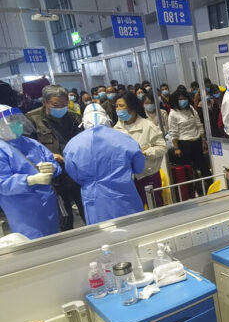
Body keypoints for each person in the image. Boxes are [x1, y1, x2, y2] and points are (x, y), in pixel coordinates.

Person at [63, 103, 144, 224]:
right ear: (107, 118)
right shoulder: (124, 139)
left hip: (94, 199)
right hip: (124, 195)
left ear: (84, 121)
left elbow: (74, 175)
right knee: (134, 230)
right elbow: (139, 167)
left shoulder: (73, 145)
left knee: (103, 236)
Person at [26, 85, 86, 231]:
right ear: (45, 102)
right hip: (53, 178)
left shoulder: (74, 118)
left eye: (64, 104)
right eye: (55, 105)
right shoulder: (32, 119)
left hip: (76, 173)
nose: (61, 108)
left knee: (88, 212)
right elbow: (26, 149)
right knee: (64, 219)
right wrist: (48, 156)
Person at [0, 104, 61, 239]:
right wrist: (30, 180)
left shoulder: (31, 143)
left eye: (16, 119)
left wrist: (53, 168)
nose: (16, 123)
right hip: (22, 209)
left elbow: (52, 161)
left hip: (48, 203)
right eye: (10, 120)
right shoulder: (2, 149)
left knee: (54, 240)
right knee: (32, 245)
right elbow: (2, 183)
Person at [114, 94, 167, 208]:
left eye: (121, 106)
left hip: (148, 175)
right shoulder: (116, 129)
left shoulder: (148, 126)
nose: (118, 109)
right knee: (134, 210)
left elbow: (162, 147)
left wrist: (145, 153)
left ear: (132, 107)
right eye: (116, 106)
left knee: (156, 207)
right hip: (127, 178)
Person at [169, 89, 212, 185]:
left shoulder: (191, 109)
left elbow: (199, 124)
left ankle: (211, 185)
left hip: (196, 140)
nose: (183, 101)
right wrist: (176, 148)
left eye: (185, 98)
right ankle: (195, 189)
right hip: (184, 143)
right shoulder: (173, 113)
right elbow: (173, 132)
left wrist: (203, 140)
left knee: (203, 165)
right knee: (190, 169)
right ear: (176, 100)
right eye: (180, 99)